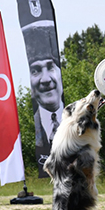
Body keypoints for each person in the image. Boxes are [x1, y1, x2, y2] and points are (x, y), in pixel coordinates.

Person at [21, 21, 65, 176]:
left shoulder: (77, 118)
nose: (46, 79)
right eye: (36, 70)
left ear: (60, 71)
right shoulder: (30, 125)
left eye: (50, 67)